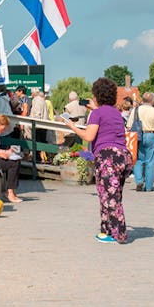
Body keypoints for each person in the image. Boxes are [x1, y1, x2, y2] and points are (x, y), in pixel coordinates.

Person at [63, 77, 133, 243]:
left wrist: (72, 127)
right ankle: (107, 230)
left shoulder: (96, 114)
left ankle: (119, 233)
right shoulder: (115, 112)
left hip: (107, 156)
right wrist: (95, 108)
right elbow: (106, 119)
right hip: (123, 155)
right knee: (114, 195)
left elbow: (89, 135)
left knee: (107, 196)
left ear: (96, 95)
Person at [130, 92, 154, 192]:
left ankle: (139, 180)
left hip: (137, 136)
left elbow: (129, 126)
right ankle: (149, 186)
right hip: (151, 135)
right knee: (150, 161)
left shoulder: (135, 110)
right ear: (152, 100)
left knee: (138, 160)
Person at [29, 87, 50, 162]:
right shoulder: (42, 100)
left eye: (31, 93)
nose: (31, 95)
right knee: (42, 142)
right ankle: (44, 158)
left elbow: (37, 114)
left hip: (38, 126)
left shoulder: (37, 101)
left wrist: (33, 124)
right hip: (43, 125)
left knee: (37, 143)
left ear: (34, 93)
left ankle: (37, 159)